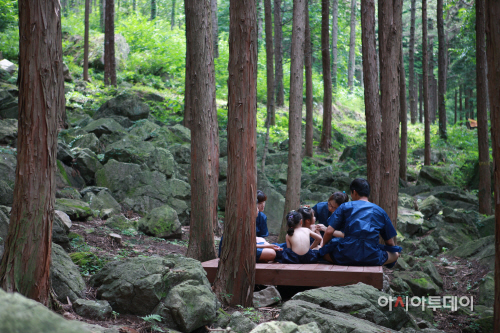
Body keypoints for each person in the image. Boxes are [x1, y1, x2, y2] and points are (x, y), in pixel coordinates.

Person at [321, 178, 401, 267]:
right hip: (371, 257)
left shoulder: (344, 206)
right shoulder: (380, 211)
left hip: (345, 255)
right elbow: (390, 242)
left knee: (323, 253)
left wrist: (323, 247)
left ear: (354, 192)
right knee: (395, 254)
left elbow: (329, 231)